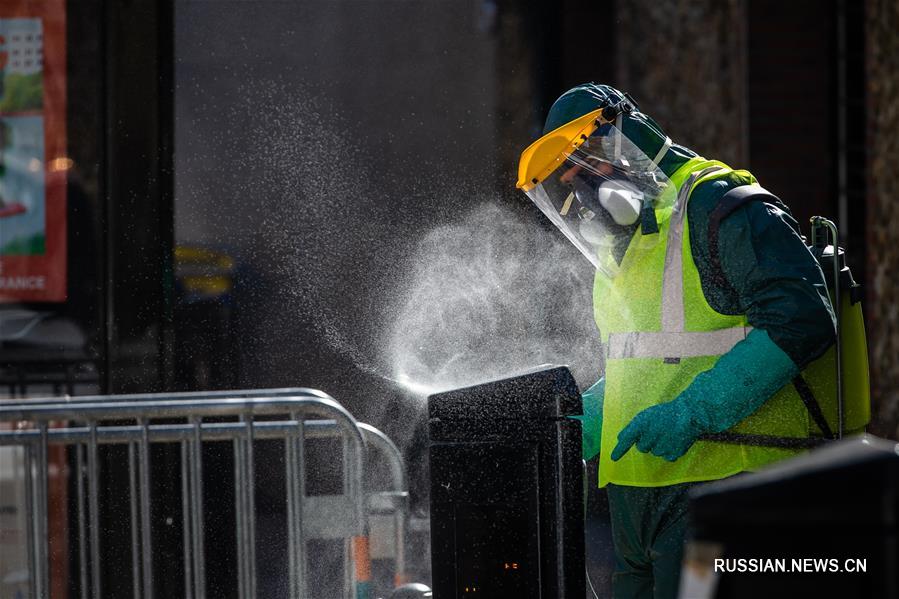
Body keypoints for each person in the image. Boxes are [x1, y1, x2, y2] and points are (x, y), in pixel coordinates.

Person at [516, 83, 841, 598]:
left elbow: (801, 318)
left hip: (725, 490)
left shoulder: (718, 206)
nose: (582, 191)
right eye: (568, 181)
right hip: (635, 504)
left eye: (589, 163)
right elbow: (640, 357)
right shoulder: (622, 248)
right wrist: (585, 420)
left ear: (626, 139)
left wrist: (695, 412)